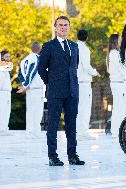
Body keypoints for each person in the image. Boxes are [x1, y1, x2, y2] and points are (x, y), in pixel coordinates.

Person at [38, 16, 85, 166]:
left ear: (69, 28)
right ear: (55, 27)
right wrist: (50, 82)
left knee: (71, 125)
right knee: (52, 125)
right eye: (60, 25)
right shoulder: (48, 46)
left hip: (72, 91)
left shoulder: (74, 46)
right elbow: (41, 68)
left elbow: (74, 66)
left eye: (66, 25)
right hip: (55, 92)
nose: (63, 27)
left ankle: (73, 156)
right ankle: (53, 157)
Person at [75, 29, 99, 140]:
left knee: (77, 108)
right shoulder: (84, 49)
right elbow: (86, 66)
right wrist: (95, 72)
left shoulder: (73, 47)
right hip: (84, 83)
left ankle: (76, 131)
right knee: (84, 108)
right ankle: (83, 132)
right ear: (86, 37)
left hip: (75, 82)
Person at [17, 42, 44, 138]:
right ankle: (35, 132)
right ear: (39, 49)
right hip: (35, 88)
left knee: (30, 110)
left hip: (30, 89)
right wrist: (26, 84)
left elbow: (20, 73)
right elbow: (32, 71)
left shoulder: (24, 59)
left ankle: (29, 131)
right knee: (37, 110)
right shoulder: (37, 58)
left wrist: (23, 83)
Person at [107, 34, 125, 137]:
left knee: (118, 107)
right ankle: (116, 131)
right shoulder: (114, 54)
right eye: (119, 40)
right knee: (119, 108)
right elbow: (120, 69)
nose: (121, 41)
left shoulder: (112, 53)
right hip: (118, 83)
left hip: (116, 83)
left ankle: (116, 130)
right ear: (115, 41)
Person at [0, 50, 13, 136]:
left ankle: (4, 128)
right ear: (2, 58)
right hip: (3, 92)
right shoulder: (0, 67)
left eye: (9, 56)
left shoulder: (4, 67)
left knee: (6, 111)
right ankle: (1, 130)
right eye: (6, 57)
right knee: (3, 110)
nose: (8, 58)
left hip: (6, 92)